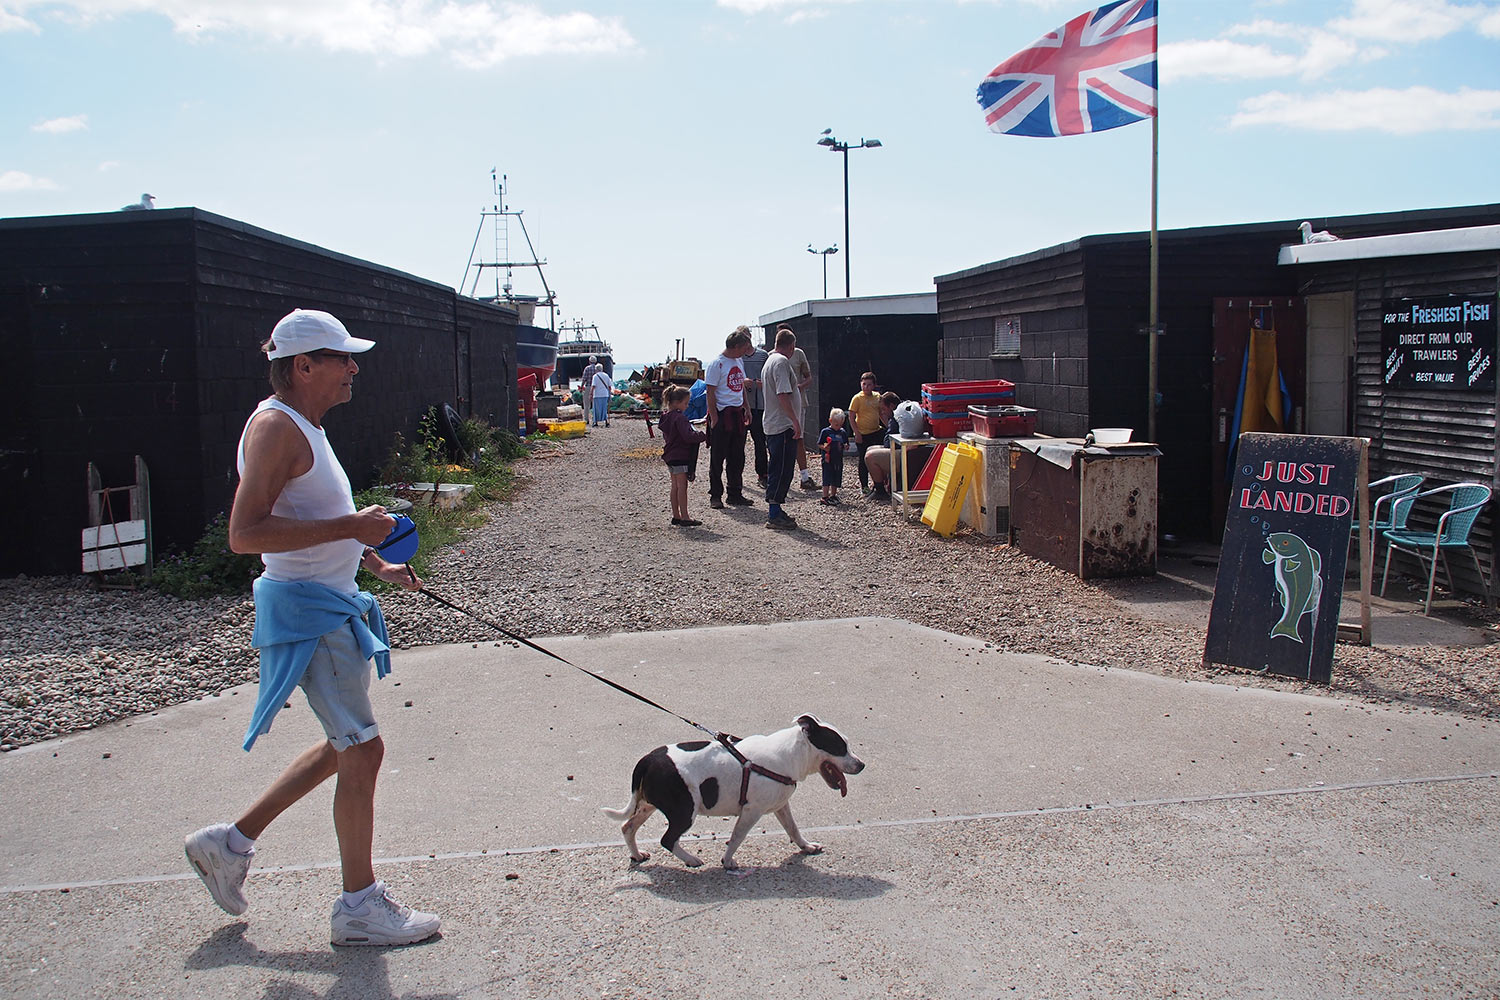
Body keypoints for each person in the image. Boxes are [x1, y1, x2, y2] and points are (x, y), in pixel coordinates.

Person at [183, 309, 439, 948]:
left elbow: (315, 517)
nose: (353, 368)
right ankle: (358, 907)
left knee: (343, 745)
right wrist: (353, 530)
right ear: (303, 366)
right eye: (341, 358)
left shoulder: (306, 426)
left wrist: (374, 559)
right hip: (307, 611)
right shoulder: (277, 428)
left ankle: (229, 842)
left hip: (330, 602)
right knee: (362, 748)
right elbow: (246, 534)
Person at [704, 327, 755, 510]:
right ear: (736, 346)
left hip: (737, 413)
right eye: (743, 348)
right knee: (717, 457)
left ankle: (735, 493)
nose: (745, 351)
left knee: (737, 456)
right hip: (722, 413)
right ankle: (715, 495)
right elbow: (710, 392)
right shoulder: (716, 364)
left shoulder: (738, 361)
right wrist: (714, 417)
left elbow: (740, 386)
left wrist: (746, 408)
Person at [760, 328, 802, 529]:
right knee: (782, 468)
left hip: (774, 422)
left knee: (778, 466)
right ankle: (774, 513)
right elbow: (783, 394)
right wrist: (794, 420)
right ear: (791, 345)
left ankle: (776, 509)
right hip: (782, 424)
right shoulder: (781, 362)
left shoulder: (769, 360)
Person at [660, 384, 707, 527]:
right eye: (686, 403)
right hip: (680, 454)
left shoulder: (666, 417)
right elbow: (687, 436)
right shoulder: (680, 418)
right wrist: (701, 436)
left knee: (674, 486)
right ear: (677, 403)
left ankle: (676, 515)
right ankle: (685, 516)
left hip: (670, 455)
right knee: (682, 486)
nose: (687, 406)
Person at [861, 391, 903, 501]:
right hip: (898, 449)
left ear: (892, 406)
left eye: (884, 409)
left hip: (902, 452)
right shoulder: (898, 416)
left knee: (870, 456)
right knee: (870, 449)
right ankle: (878, 485)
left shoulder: (898, 418)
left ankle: (880, 490)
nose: (883, 413)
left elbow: (891, 442)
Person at [848, 372, 884, 493]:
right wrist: (857, 433)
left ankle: (878, 483)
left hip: (876, 431)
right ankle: (864, 486)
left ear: (874, 385)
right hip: (863, 433)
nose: (866, 387)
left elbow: (881, 413)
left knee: (878, 458)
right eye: (864, 384)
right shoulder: (857, 398)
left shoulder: (878, 397)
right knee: (863, 460)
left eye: (869, 384)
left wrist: (888, 426)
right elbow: (851, 417)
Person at [741, 339, 770, 489]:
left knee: (760, 441)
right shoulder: (737, 357)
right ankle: (735, 476)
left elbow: (769, 376)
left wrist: (761, 383)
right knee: (738, 443)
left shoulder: (763, 355)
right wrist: (743, 382)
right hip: (741, 406)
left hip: (759, 405)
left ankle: (763, 474)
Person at [817, 408, 850, 505]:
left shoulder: (842, 432)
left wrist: (846, 446)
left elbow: (846, 443)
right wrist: (824, 447)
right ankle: (825, 496)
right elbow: (819, 444)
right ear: (830, 421)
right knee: (827, 476)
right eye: (836, 425)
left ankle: (833, 495)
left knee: (836, 476)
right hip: (828, 458)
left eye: (840, 425)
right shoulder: (825, 432)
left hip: (838, 458)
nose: (838, 427)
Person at [580, 355, 600, 425]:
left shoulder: (587, 368)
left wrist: (581, 386)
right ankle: (595, 419)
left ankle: (586, 419)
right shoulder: (597, 369)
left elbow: (584, 378)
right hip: (596, 388)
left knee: (586, 405)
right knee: (595, 404)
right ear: (595, 361)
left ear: (589, 361)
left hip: (588, 387)